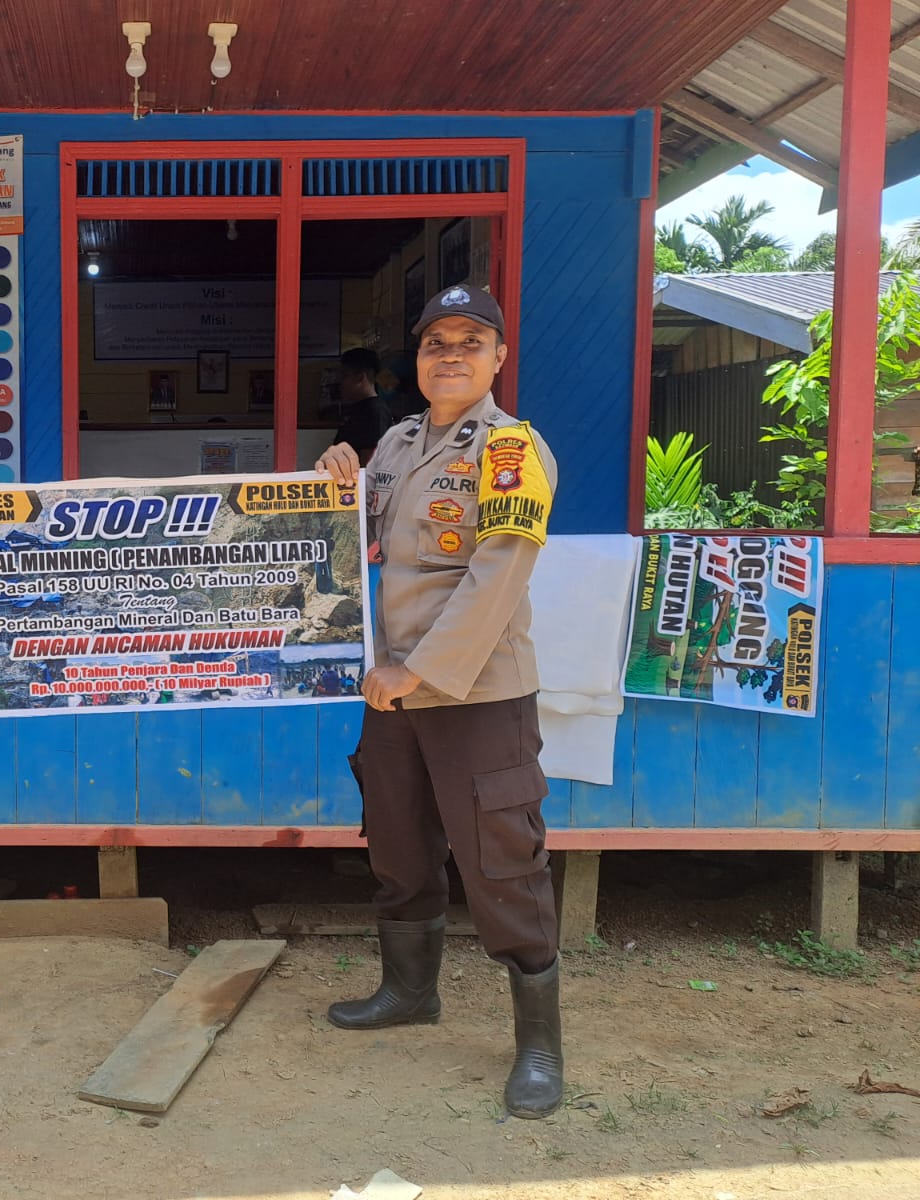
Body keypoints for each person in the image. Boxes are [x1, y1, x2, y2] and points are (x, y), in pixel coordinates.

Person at [314, 284, 562, 1120]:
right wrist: (333, 480)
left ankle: (539, 1044)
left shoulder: (511, 449)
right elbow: (357, 541)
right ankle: (410, 992)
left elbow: (498, 577)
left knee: (502, 860)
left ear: (498, 358)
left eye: (469, 342)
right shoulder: (395, 440)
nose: (450, 355)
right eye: (435, 343)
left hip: (476, 689)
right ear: (415, 360)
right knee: (398, 842)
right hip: (393, 690)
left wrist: (416, 672)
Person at [330, 346, 406, 463]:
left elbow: (370, 462)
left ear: (360, 378)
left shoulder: (375, 412)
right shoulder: (359, 408)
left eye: (344, 376)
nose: (340, 382)